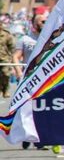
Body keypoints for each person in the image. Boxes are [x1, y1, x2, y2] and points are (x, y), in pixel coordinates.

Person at [14, 14, 44, 151]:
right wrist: (19, 71)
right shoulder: (25, 39)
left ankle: (41, 138)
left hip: (45, 78)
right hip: (29, 79)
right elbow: (16, 56)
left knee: (42, 108)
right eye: (41, 21)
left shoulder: (50, 38)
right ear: (34, 24)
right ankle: (27, 136)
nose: (44, 23)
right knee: (27, 109)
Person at [0, 21, 18, 99]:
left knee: (6, 74)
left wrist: (11, 58)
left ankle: (6, 89)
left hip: (4, 58)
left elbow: (12, 47)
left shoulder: (6, 35)